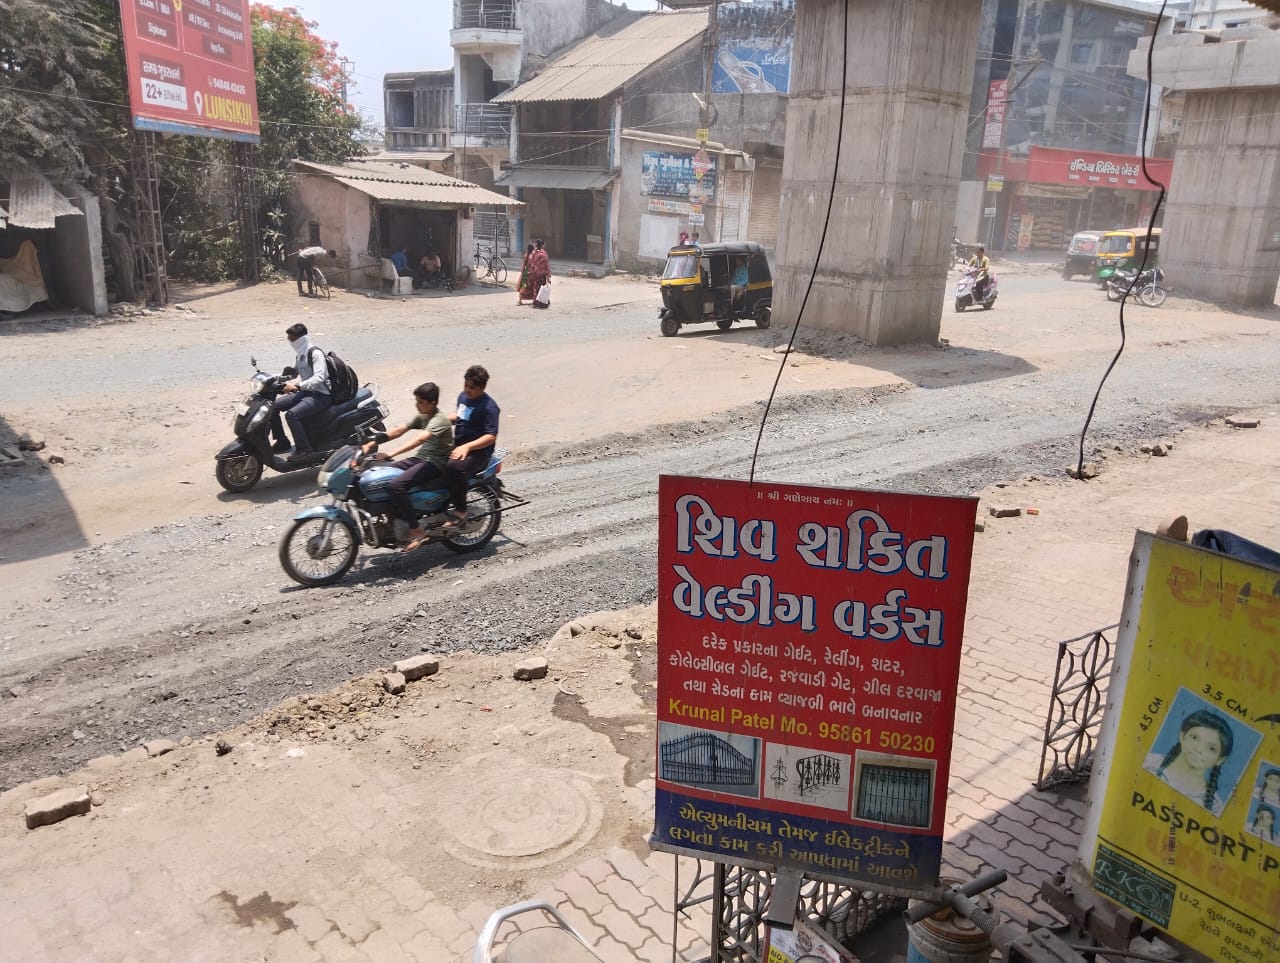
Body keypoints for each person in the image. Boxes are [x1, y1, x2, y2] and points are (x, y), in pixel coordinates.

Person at [361, 382, 454, 553]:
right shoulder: (423, 416)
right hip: (421, 458)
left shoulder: (439, 420)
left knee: (396, 486)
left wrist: (390, 453)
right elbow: (399, 430)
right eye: (416, 401)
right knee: (384, 475)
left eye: (420, 402)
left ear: (432, 402)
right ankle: (396, 517)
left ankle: (416, 529)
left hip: (436, 463)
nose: (417, 405)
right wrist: (372, 442)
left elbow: (420, 439)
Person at [1143, 709, 1235, 815]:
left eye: (1211, 748)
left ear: (1220, 760)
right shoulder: (1148, 761)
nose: (1198, 749)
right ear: (1182, 736)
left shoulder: (1215, 807)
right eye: (1194, 738)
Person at [444, 365, 500, 524]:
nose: (467, 390)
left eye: (472, 388)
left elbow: (491, 436)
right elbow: (461, 416)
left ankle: (461, 510)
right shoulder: (463, 397)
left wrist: (467, 447)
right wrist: (441, 421)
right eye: (466, 385)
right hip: (459, 445)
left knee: (455, 467)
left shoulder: (489, 407)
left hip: (479, 452)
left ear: (482, 388)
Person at [270, 323, 332, 460]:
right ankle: (282, 441)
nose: (290, 341)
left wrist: (298, 386)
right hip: (306, 392)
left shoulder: (315, 353)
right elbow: (292, 374)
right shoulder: (300, 354)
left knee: (292, 415)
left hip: (321, 395)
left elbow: (320, 377)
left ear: (301, 338)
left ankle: (304, 449)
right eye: (289, 338)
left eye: (292, 338)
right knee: (273, 407)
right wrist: (271, 378)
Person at [528, 239, 551, 309]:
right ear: (542, 245)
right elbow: (546, 265)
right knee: (541, 288)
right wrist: (548, 275)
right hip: (542, 274)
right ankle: (542, 303)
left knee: (536, 288)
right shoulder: (543, 254)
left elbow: (530, 263)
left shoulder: (533, 253)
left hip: (535, 274)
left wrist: (531, 272)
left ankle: (536, 303)